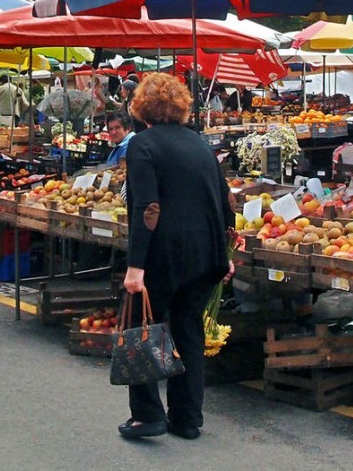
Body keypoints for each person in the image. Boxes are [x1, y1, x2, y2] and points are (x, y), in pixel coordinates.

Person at [118, 73, 235, 441]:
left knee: (142, 329)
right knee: (189, 331)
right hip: (204, 256)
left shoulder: (142, 145)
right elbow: (224, 198)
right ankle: (187, 419)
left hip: (162, 254)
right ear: (181, 106)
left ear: (140, 108)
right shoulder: (199, 143)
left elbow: (148, 208)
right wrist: (226, 250)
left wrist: (136, 267)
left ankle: (147, 415)